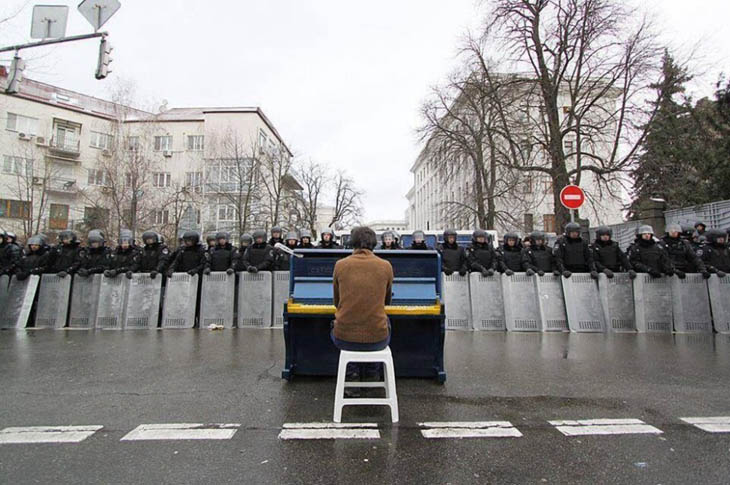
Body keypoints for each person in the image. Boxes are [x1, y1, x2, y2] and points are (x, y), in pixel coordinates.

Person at [331, 226, 393, 388]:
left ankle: (352, 375)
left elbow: (337, 303)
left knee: (337, 326)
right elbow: (387, 302)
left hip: (344, 339)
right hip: (378, 339)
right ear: (374, 243)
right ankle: (372, 374)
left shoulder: (340, 265)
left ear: (352, 243)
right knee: (385, 324)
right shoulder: (386, 266)